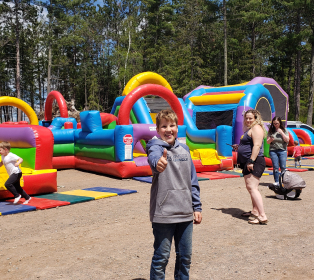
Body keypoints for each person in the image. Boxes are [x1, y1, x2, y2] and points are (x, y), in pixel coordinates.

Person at [146, 109, 202, 280]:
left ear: (177, 127)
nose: (168, 129)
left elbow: (192, 180)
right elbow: (153, 158)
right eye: (164, 126)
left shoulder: (185, 150)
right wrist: (158, 163)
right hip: (164, 215)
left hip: (185, 213)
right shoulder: (155, 147)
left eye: (172, 125)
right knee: (161, 258)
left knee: (185, 258)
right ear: (157, 130)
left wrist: (197, 206)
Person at [234, 109, 268, 225]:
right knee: (251, 188)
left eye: (250, 118)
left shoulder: (256, 128)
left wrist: (251, 161)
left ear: (255, 118)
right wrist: (239, 147)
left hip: (255, 161)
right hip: (249, 161)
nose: (248, 120)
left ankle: (262, 215)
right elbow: (250, 144)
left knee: (252, 187)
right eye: (246, 118)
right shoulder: (250, 129)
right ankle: (255, 210)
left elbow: (257, 145)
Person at [267, 117, 289, 185]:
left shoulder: (284, 130)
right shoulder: (271, 131)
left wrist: (281, 132)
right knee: (275, 167)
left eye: (277, 123)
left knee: (283, 167)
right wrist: (270, 139)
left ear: (280, 123)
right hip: (273, 150)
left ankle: (284, 182)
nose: (275, 125)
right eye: (274, 123)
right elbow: (267, 142)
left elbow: (287, 140)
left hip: (282, 150)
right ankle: (277, 182)